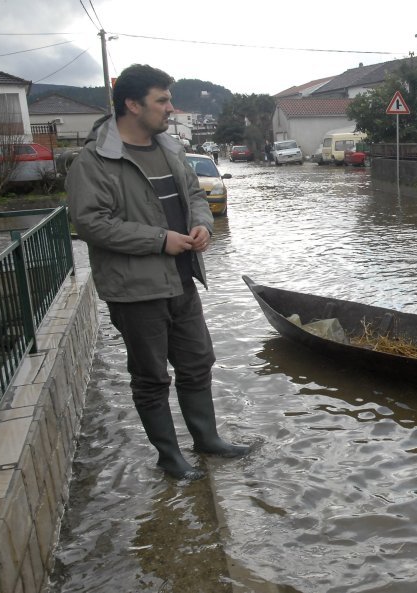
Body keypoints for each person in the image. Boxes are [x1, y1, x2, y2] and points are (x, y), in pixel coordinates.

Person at [67, 64, 250, 480]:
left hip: (182, 280)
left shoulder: (169, 147)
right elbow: (91, 223)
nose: (170, 108)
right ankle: (170, 457)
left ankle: (207, 440)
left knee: (197, 362)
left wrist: (202, 224)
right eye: (162, 100)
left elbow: (192, 193)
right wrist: (159, 240)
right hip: (135, 290)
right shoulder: (94, 160)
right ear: (133, 104)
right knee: (150, 377)